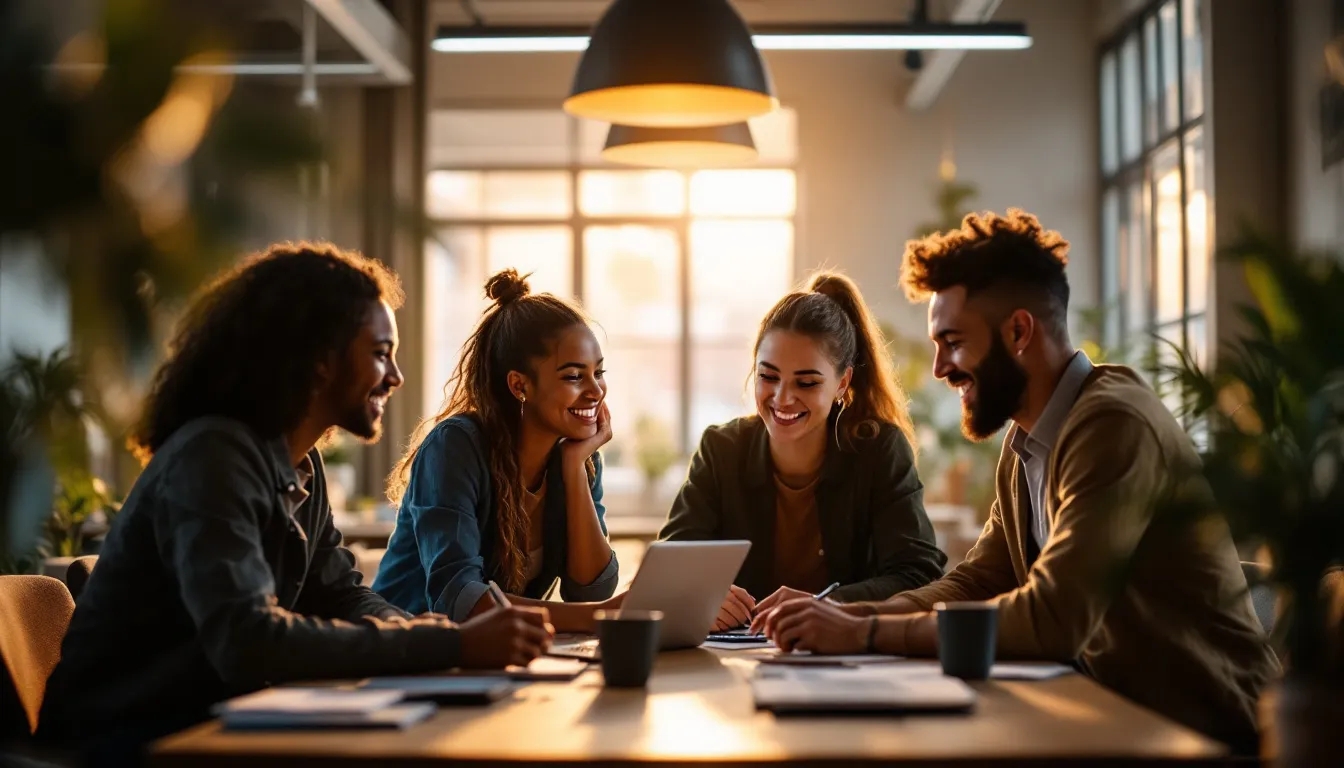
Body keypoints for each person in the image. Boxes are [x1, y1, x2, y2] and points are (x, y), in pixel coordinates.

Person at [756, 210, 1278, 754]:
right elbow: (975, 582)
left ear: (1019, 331)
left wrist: (860, 634)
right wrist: (844, 614)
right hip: (1116, 722)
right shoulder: (1025, 442)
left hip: (1209, 737)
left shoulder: (1114, 424)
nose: (939, 368)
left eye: (953, 341)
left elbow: (1053, 618)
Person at [37, 244, 551, 764]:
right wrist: (454, 647)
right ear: (319, 357)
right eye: (379, 353)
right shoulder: (213, 456)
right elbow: (248, 639)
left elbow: (343, 595)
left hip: (217, 727)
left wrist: (440, 636)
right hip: (125, 743)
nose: (394, 376)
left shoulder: (301, 465)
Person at [661, 272, 946, 631]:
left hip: (848, 655)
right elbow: (670, 567)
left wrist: (825, 605)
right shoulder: (722, 449)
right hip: (739, 657)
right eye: (768, 376)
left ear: (842, 383)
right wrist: (702, 595)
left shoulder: (879, 451)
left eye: (806, 382)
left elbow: (919, 575)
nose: (782, 398)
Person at [374, 270, 619, 632]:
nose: (595, 390)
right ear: (520, 385)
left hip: (490, 660)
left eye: (598, 372)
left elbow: (591, 589)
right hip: (403, 658)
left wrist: (573, 467)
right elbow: (460, 599)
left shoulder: (576, 456)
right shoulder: (455, 446)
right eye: (573, 376)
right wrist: (600, 618)